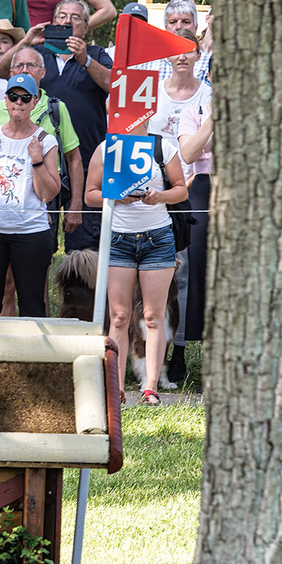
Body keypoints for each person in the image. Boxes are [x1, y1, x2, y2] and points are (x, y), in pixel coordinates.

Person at [0, 0, 110, 249]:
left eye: (76, 17)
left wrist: (85, 60)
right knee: (37, 248)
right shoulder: (37, 57)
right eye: (62, 17)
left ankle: (81, 290)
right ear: (53, 22)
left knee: (84, 250)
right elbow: (0, 71)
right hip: (40, 164)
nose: (68, 21)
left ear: (86, 27)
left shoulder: (96, 54)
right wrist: (26, 41)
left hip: (88, 161)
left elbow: (115, 85)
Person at [83, 132, 186, 406]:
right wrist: (117, 197)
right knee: (119, 317)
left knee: (153, 316)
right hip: (118, 238)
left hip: (158, 237)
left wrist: (159, 196)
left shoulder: (162, 146)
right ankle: (114, 388)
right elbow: (90, 195)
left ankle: (150, 387)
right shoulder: (106, 147)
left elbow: (181, 189)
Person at [0, 73, 62, 318]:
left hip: (30, 231)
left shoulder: (45, 140)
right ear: (6, 100)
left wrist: (37, 161)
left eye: (24, 98)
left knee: (32, 302)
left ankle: (33, 355)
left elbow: (47, 194)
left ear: (35, 101)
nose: (18, 103)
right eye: (13, 97)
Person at [151, 30, 210, 387]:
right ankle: (172, 353)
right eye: (177, 51)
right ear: (167, 56)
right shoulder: (154, 93)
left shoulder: (209, 96)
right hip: (160, 189)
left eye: (191, 51)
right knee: (178, 272)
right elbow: (186, 150)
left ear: (200, 55)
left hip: (195, 188)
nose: (183, 57)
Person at [175, 97, 213, 387]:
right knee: (192, 273)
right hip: (201, 187)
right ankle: (179, 354)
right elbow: (188, 154)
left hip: (240, 187)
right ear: (210, 75)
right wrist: (213, 117)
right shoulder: (194, 112)